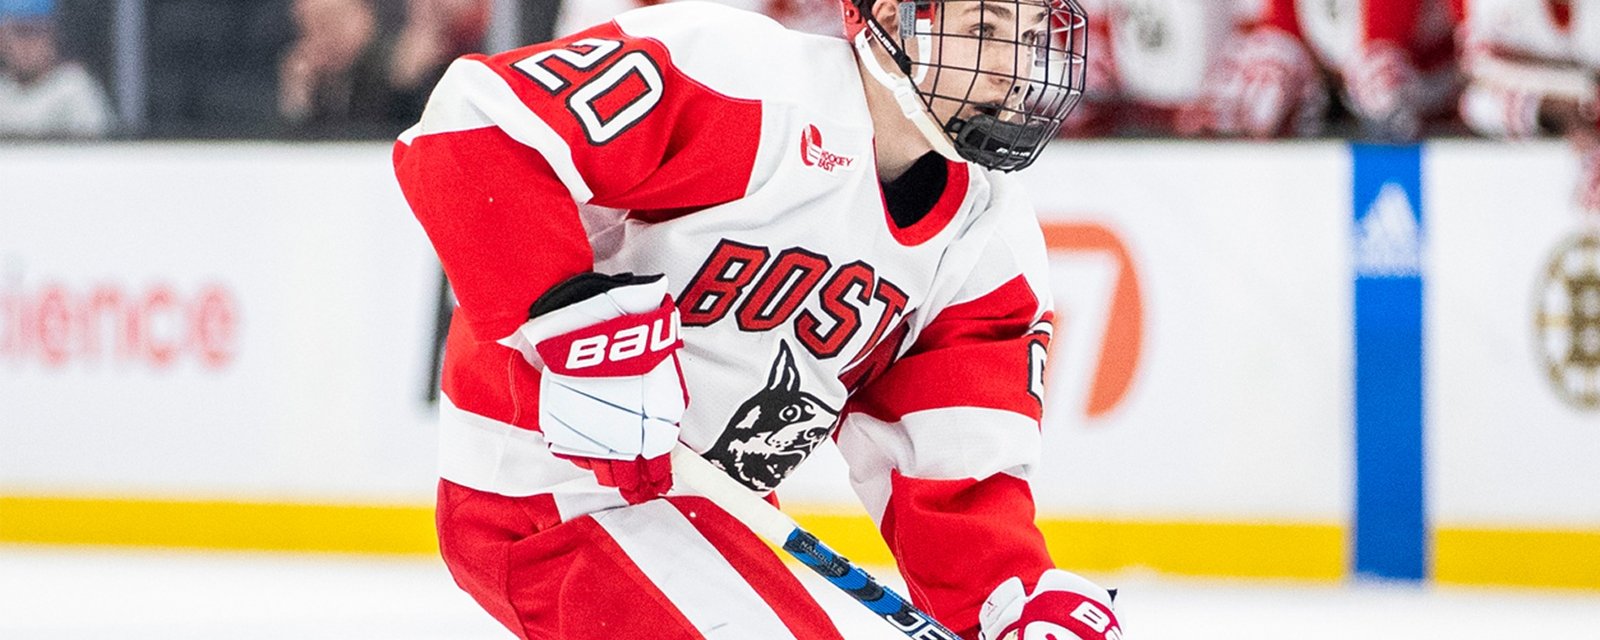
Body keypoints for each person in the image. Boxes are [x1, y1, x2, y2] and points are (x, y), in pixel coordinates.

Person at [394, 1, 1122, 639]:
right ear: (896, 19)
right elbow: (476, 124)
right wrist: (582, 328)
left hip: (704, 513)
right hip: (544, 484)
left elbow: (951, 472)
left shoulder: (985, 242)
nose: (1013, 68)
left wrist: (1011, 602)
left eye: (1028, 36)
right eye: (986, 29)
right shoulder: (740, 78)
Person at [1185, 0, 1460, 140]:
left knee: (1380, 85)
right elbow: (1282, 28)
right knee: (1263, 85)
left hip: (1435, 109)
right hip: (1332, 89)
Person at [1458, 0, 1600, 213]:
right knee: (1478, 104)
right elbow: (1481, 65)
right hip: (1555, 102)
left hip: (1582, 99)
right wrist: (1569, 95)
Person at [0, 0, 113, 138]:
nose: (27, 45)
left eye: (36, 32)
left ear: (52, 36)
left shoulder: (74, 86)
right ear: (2, 39)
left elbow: (99, 152)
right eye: (19, 33)